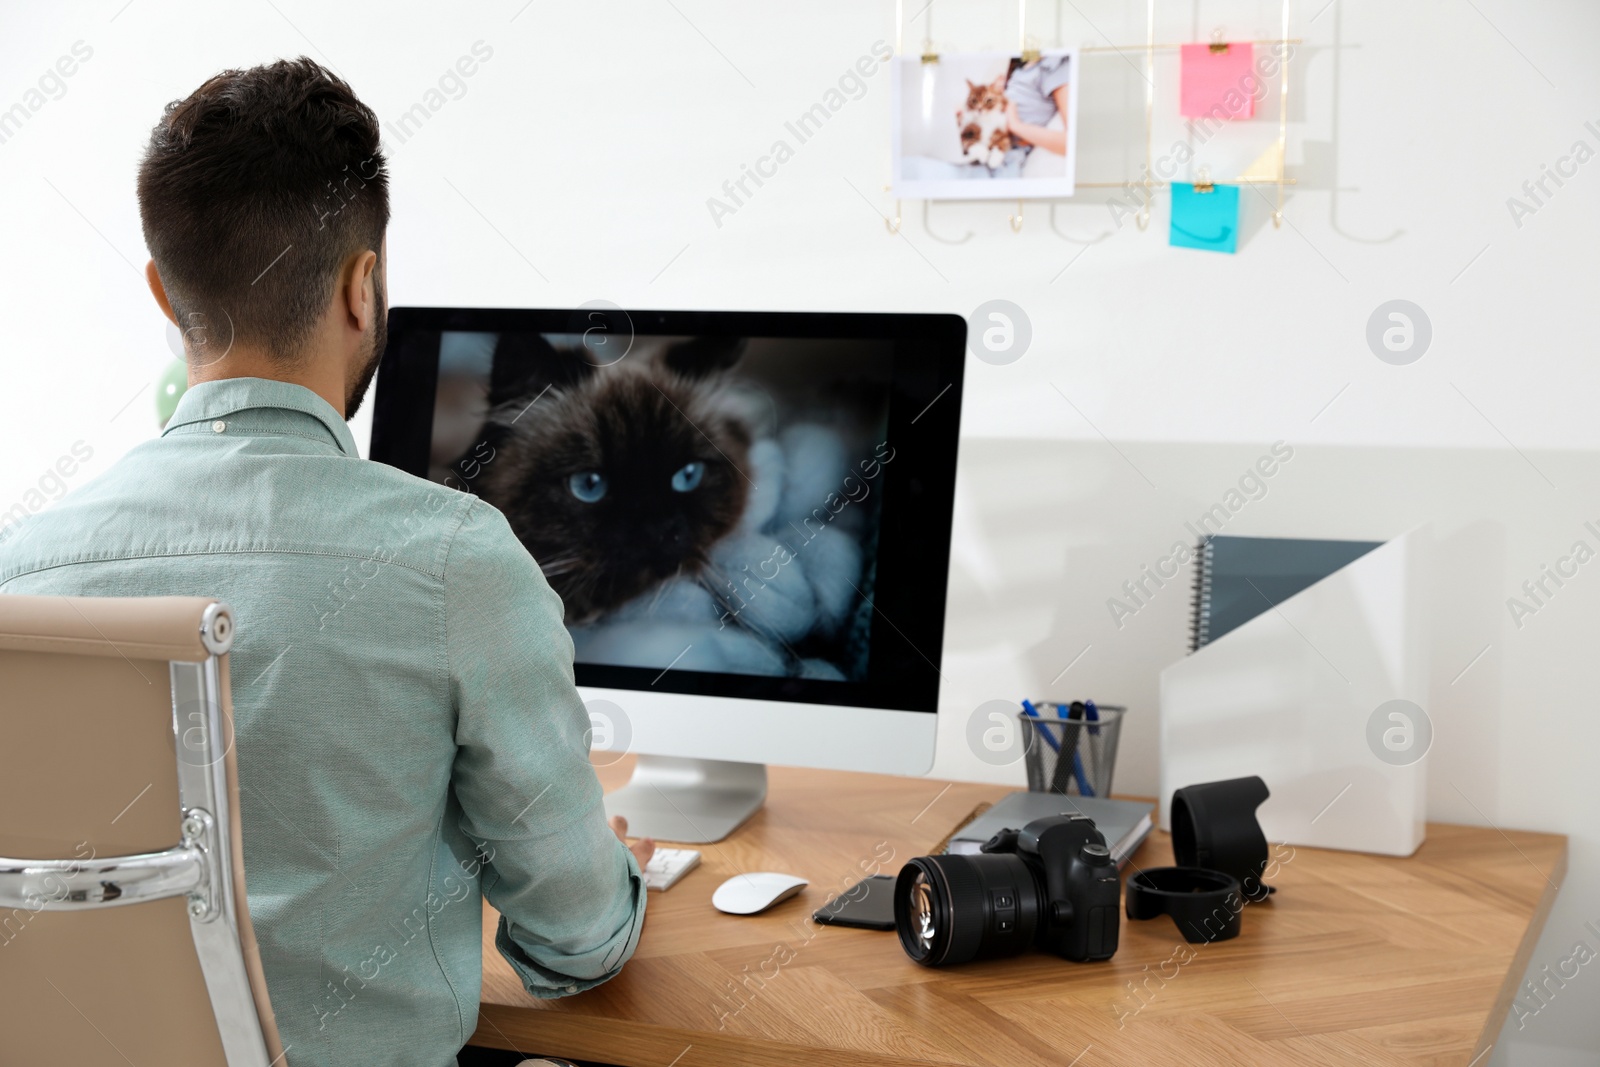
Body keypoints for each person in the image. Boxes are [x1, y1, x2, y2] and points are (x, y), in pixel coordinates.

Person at [0, 57, 651, 1067]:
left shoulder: (20, 569)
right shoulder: (454, 562)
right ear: (363, 287)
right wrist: (610, 878)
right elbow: (576, 940)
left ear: (164, 295)